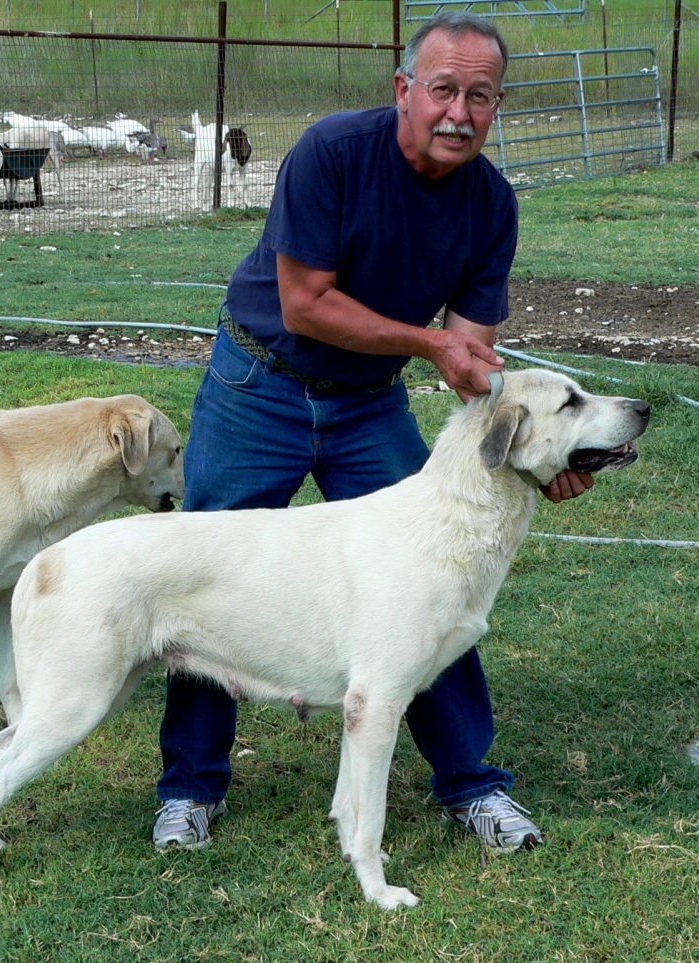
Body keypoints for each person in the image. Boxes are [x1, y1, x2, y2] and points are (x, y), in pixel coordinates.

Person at [153, 10, 594, 853]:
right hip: (261, 380)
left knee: (438, 576)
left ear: (497, 105)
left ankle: (473, 783)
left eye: (481, 95)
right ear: (403, 91)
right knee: (201, 573)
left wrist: (547, 454)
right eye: (442, 90)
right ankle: (189, 788)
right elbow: (304, 302)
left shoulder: (491, 204)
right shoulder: (331, 152)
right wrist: (429, 341)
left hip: (366, 400)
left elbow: (472, 357)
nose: (459, 112)